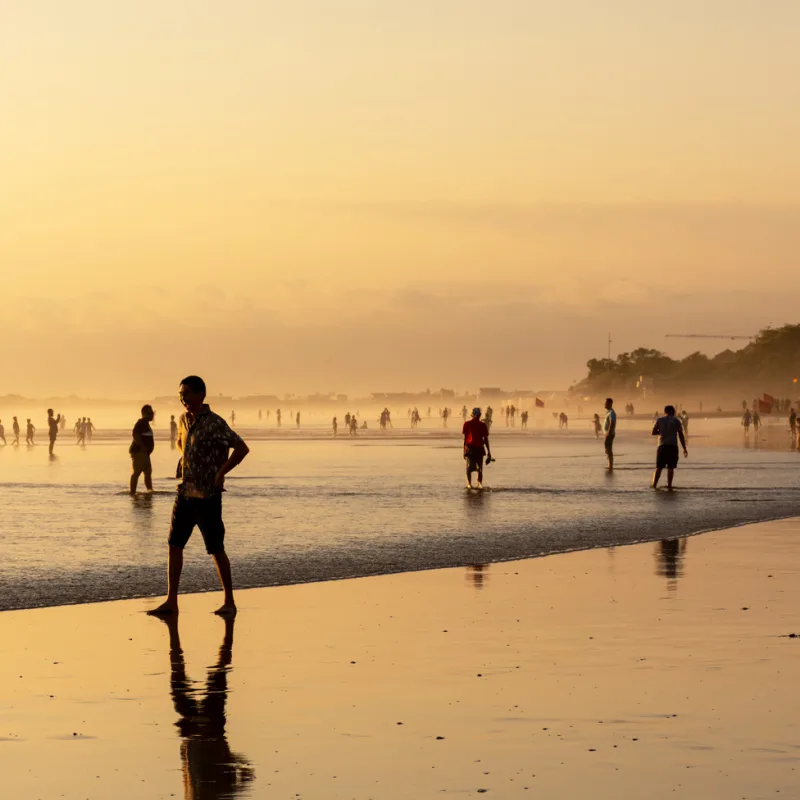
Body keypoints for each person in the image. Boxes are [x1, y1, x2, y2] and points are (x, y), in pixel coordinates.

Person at [148, 376, 249, 618]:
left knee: (216, 548)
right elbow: (182, 446)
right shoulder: (183, 420)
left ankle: (229, 601)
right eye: (181, 394)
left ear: (201, 395)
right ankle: (171, 601)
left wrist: (221, 472)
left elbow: (241, 448)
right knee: (174, 545)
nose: (184, 398)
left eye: (188, 394)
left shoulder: (215, 423)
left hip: (208, 496)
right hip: (184, 493)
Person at [651, 405, 688, 490]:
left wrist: (662, 432)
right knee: (671, 467)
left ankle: (654, 485)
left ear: (665, 412)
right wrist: (684, 448)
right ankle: (669, 486)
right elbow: (681, 435)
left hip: (662, 445)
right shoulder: (677, 421)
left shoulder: (660, 420)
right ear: (673, 411)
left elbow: (653, 432)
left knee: (659, 467)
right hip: (672, 446)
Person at [462, 407, 492, 489]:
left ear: (472, 415)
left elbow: (465, 439)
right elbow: (485, 440)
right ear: (479, 415)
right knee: (480, 468)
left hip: (469, 448)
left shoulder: (466, 424)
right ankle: (480, 484)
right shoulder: (482, 425)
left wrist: (463, 451)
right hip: (479, 448)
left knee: (468, 468)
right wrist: (489, 452)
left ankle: (469, 484)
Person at [130, 404, 156, 494]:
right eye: (150, 413)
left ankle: (150, 491)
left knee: (148, 473)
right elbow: (135, 434)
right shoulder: (141, 422)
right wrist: (142, 446)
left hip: (145, 453)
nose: (152, 415)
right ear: (144, 414)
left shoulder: (146, 423)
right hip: (139, 452)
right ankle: (132, 492)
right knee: (136, 473)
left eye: (152, 413)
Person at [603, 398, 616, 470]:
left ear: (610, 403)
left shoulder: (612, 412)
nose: (604, 404)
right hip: (607, 433)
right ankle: (609, 465)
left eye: (606, 403)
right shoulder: (608, 412)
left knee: (609, 449)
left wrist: (608, 432)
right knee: (607, 448)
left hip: (610, 433)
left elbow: (612, 423)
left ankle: (610, 466)